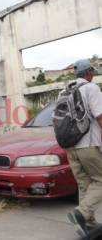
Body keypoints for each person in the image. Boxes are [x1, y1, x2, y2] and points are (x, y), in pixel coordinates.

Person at [66, 59, 102, 237]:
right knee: (101, 180)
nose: (93, 74)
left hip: (69, 146)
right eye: (92, 71)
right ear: (87, 72)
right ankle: (81, 213)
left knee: (84, 184)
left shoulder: (65, 91)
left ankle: (87, 223)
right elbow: (100, 116)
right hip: (87, 143)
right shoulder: (91, 88)